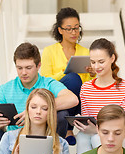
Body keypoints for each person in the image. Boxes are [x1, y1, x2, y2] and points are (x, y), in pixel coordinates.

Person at [0, 42, 78, 154]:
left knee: (61, 113)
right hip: (14, 143)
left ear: (38, 65)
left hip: (46, 138)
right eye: (19, 68)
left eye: (28, 67)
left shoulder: (48, 84)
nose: (23, 72)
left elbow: (72, 99)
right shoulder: (5, 89)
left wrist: (36, 111)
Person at [41, 7, 96, 145]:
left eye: (77, 28)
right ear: (60, 30)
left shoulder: (86, 52)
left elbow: (89, 85)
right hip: (59, 97)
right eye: (69, 28)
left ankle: (68, 129)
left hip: (79, 98)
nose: (74, 32)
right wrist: (65, 71)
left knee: (78, 81)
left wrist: (92, 74)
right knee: (72, 78)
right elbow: (45, 80)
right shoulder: (49, 51)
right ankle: (68, 129)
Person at [74, 38, 125, 154]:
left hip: (121, 138)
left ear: (112, 58)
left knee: (97, 138)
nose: (96, 66)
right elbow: (87, 119)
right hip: (94, 134)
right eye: (93, 62)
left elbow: (119, 121)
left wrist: (97, 130)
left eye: (101, 61)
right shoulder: (86, 88)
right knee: (82, 136)